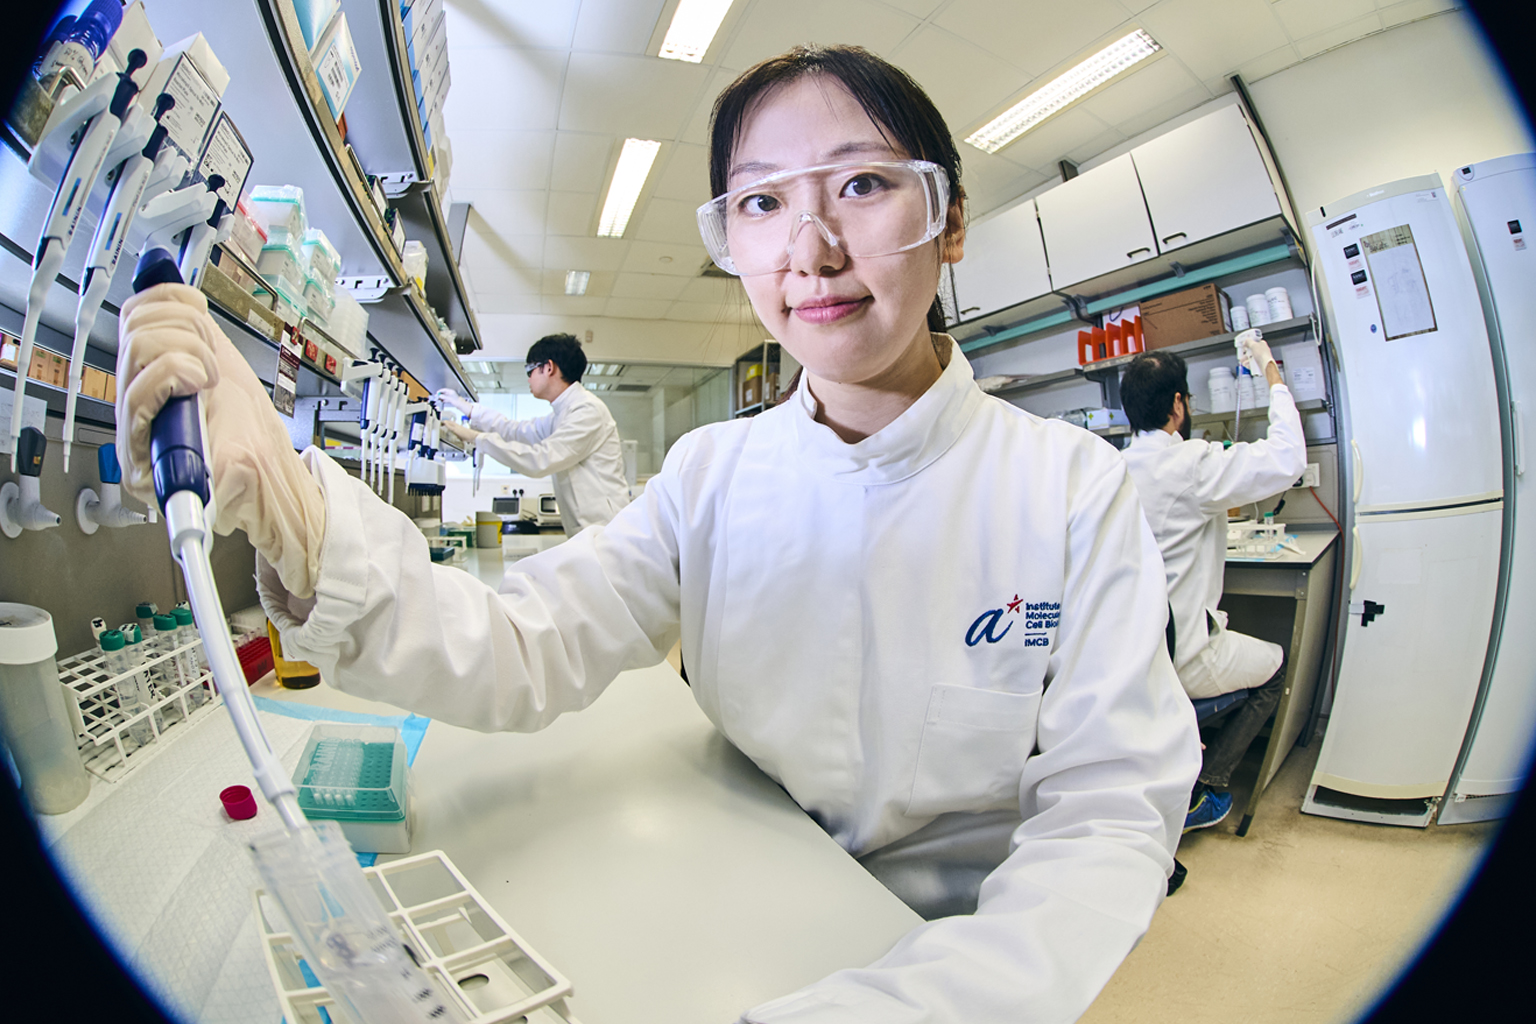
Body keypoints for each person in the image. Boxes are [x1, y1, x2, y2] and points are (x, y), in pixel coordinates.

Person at [115, 44, 1199, 1023]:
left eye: (862, 185)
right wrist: (301, 516)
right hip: (734, 900)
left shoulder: (1071, 490)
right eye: (762, 204)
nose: (810, 249)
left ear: (948, 219)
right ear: (733, 239)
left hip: (968, 966)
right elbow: (523, 641)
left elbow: (1105, 821)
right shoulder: (713, 475)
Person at [1120, 342, 1308, 832]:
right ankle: (1210, 789)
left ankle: (1183, 756)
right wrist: (1269, 367)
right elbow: (1288, 458)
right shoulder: (1190, 464)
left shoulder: (1110, 468)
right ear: (1178, 405)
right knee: (1273, 665)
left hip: (1126, 662)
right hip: (1181, 659)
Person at [436, 333, 629, 534]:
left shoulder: (587, 411)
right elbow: (514, 431)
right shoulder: (561, 415)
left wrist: (476, 438)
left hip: (607, 532)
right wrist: (466, 408)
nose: (528, 378)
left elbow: (540, 460)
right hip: (589, 533)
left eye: (530, 370)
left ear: (549, 367)